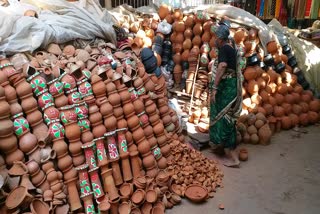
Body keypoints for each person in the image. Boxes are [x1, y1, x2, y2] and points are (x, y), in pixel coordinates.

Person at [209, 24, 243, 167]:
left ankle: (233, 158)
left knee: (226, 118)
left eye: (215, 37)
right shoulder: (230, 48)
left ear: (220, 38)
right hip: (231, 86)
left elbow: (222, 66)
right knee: (225, 117)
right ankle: (220, 147)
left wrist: (215, 87)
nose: (214, 39)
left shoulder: (224, 48)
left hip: (227, 88)